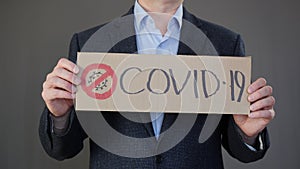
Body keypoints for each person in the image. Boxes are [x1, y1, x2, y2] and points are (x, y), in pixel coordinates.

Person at [39, 0, 276, 168]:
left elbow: (241, 151)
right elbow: (62, 150)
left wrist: (246, 134)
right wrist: (59, 118)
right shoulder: (90, 43)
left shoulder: (225, 43)